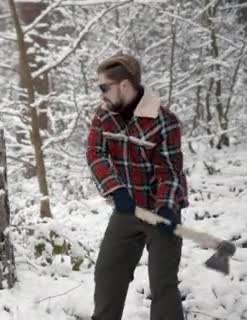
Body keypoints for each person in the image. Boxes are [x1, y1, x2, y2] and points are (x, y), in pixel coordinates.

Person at [86, 53, 189, 320]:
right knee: (108, 273)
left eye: (103, 87)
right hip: (126, 209)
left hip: (159, 209)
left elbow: (170, 171)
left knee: (163, 284)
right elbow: (95, 153)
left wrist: (166, 208)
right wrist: (115, 189)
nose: (101, 95)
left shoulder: (164, 121)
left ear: (124, 85)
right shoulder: (103, 116)